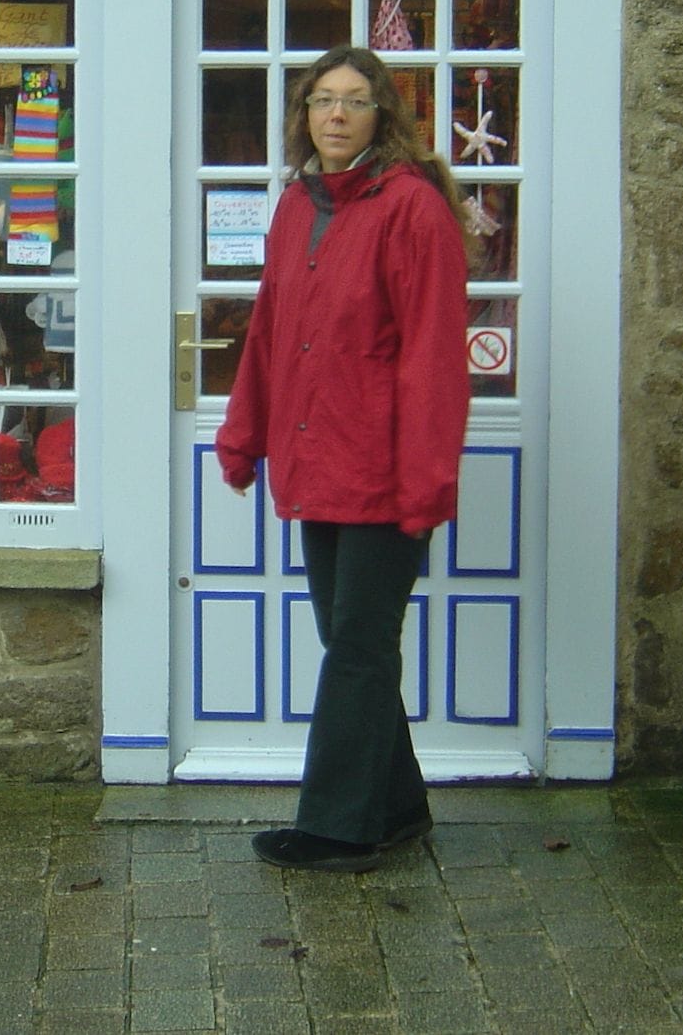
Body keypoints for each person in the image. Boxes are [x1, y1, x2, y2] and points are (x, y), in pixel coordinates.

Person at [216, 45, 473, 872]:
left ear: (381, 115)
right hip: (314, 462)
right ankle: (397, 808)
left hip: (384, 473)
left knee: (359, 648)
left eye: (355, 101)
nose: (336, 114)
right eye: (323, 99)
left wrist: (427, 482)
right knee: (351, 642)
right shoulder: (299, 206)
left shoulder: (412, 209)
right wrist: (243, 435)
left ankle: (337, 828)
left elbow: (434, 356)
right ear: (304, 114)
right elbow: (270, 330)